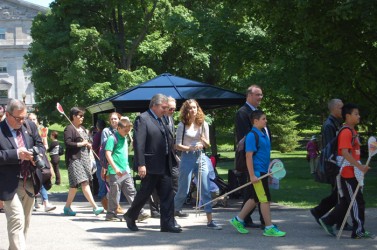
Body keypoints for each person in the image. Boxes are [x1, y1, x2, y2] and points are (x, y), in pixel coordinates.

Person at [124, 94, 180, 233]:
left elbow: (167, 140)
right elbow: (139, 144)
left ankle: (167, 224)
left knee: (168, 195)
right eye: (164, 107)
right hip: (150, 165)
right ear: (154, 105)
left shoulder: (163, 120)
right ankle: (131, 216)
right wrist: (141, 164)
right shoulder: (143, 119)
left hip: (165, 164)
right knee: (145, 193)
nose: (165, 110)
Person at [319, 103, 373, 239]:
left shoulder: (353, 131)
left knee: (347, 202)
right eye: (356, 114)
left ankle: (328, 221)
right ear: (347, 116)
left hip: (354, 172)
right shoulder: (346, 132)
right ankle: (358, 230)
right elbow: (344, 152)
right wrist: (360, 167)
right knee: (357, 201)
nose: (359, 116)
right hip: (348, 173)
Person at [230, 110, 286, 237]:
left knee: (254, 199)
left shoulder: (263, 134)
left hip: (263, 172)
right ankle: (269, 227)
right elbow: (249, 156)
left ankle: (238, 220)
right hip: (257, 173)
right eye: (263, 119)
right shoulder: (251, 136)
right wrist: (252, 175)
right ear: (255, 121)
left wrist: (270, 169)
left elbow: (263, 155)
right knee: (264, 200)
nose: (266, 121)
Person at [0, 99, 45, 249]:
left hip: (30, 180)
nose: (21, 121)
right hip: (8, 183)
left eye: (23, 117)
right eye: (18, 118)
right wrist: (16, 154)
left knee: (25, 222)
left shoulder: (29, 126)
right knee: (17, 219)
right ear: (7, 114)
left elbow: (40, 145)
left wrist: (35, 155)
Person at [174, 99, 222, 230]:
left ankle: (210, 220)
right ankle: (173, 212)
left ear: (198, 109)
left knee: (205, 188)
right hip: (187, 157)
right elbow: (177, 145)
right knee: (183, 188)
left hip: (201, 157)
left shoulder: (203, 124)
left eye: (194, 107)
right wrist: (190, 148)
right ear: (185, 110)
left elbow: (208, 144)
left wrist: (203, 142)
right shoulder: (182, 125)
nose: (192, 110)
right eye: (189, 108)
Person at [310, 99, 352, 230]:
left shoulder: (336, 123)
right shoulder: (329, 125)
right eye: (340, 108)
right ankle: (340, 221)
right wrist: (338, 164)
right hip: (334, 164)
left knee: (339, 192)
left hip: (338, 162)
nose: (343, 110)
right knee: (340, 192)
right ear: (333, 109)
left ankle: (319, 211)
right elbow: (331, 146)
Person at [104, 117, 149, 221]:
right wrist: (115, 169)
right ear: (119, 128)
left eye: (128, 131)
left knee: (131, 192)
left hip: (125, 171)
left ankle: (139, 212)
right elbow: (108, 154)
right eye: (125, 130)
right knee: (115, 193)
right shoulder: (112, 138)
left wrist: (132, 146)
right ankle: (110, 214)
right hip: (116, 171)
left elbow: (123, 153)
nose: (127, 133)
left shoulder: (125, 138)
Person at [235, 84, 267, 228]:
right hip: (253, 159)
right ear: (249, 95)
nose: (260, 97)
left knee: (255, 193)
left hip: (261, 158)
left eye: (261, 95)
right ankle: (261, 221)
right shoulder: (243, 112)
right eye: (257, 95)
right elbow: (247, 138)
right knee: (257, 193)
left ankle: (246, 218)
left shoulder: (257, 112)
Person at [63, 107, 104, 216]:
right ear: (73, 116)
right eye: (80, 115)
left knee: (73, 186)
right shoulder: (69, 129)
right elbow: (67, 143)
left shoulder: (83, 128)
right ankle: (95, 207)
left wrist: (89, 144)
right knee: (84, 181)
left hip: (85, 159)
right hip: (74, 159)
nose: (82, 118)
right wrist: (81, 144)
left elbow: (87, 141)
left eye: (83, 116)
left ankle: (67, 207)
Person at [28, 113, 56, 213]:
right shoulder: (24, 130)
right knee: (32, 180)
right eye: (30, 119)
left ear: (37, 120)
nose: (32, 121)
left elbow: (45, 145)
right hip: (28, 157)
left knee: (40, 179)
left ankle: (45, 202)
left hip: (40, 157)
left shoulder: (42, 130)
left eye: (34, 119)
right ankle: (36, 202)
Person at [100, 112, 123, 214]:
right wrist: (104, 166)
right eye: (112, 119)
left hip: (120, 162)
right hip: (110, 162)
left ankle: (107, 199)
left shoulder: (122, 130)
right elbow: (104, 148)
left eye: (116, 119)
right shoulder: (106, 131)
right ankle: (116, 206)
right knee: (114, 184)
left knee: (119, 184)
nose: (114, 120)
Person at [91, 119, 107, 206]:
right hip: (104, 158)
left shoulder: (98, 135)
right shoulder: (106, 133)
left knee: (100, 177)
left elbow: (94, 146)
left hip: (99, 158)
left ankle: (102, 194)